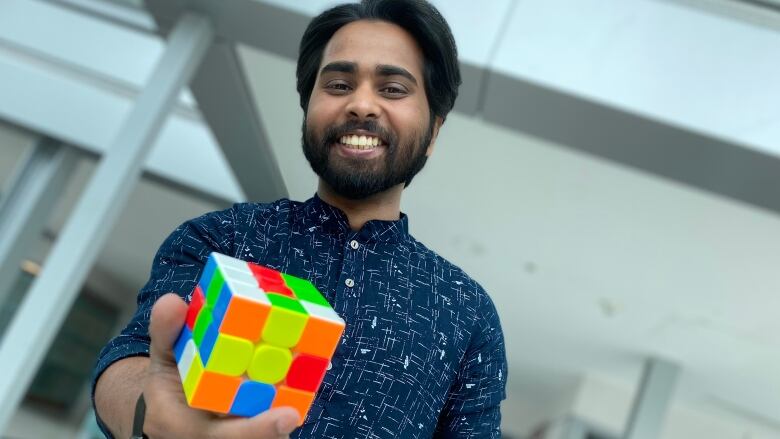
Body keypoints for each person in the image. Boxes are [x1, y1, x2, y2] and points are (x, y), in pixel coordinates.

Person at [92, 0, 507, 437]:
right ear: (308, 107)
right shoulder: (221, 239)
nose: (361, 104)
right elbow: (131, 360)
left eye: (392, 89)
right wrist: (154, 417)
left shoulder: (467, 311)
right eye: (339, 84)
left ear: (433, 132)